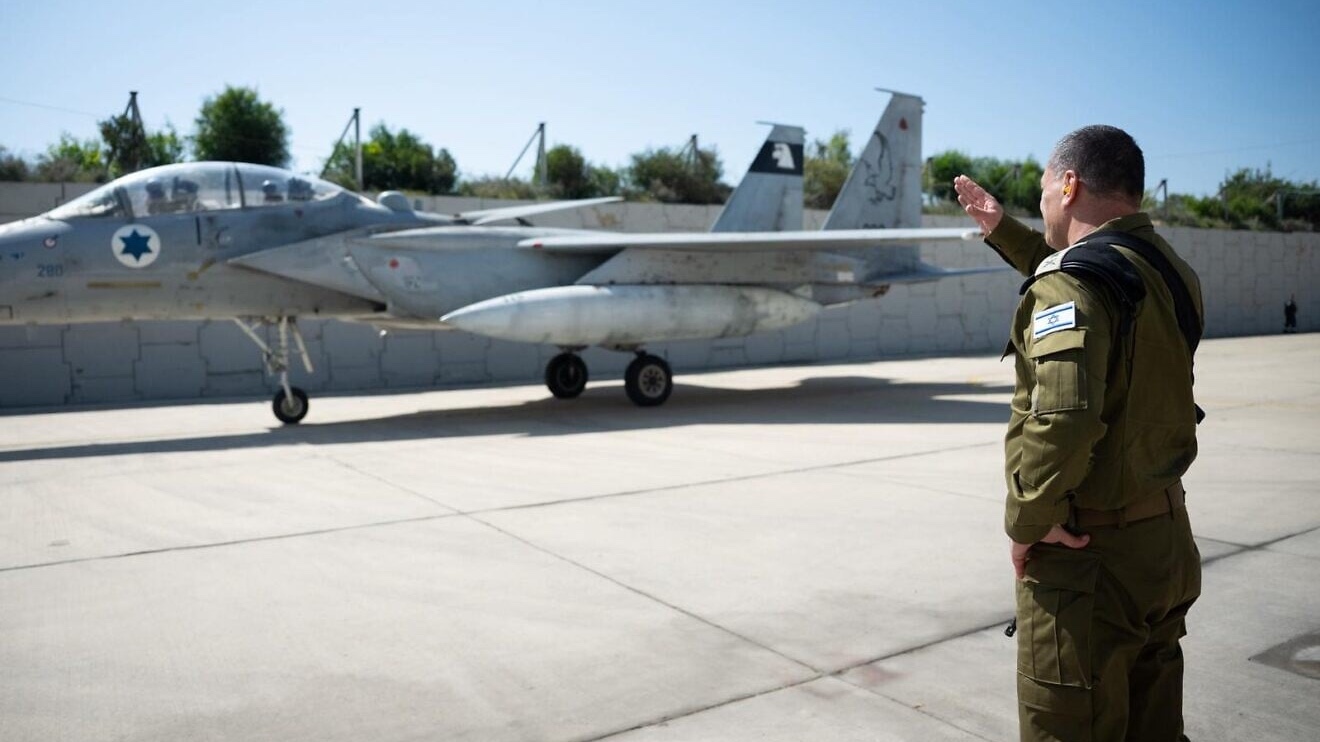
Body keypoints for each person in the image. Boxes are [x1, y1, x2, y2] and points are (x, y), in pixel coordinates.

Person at [954, 125, 1203, 741]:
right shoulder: (1169, 271)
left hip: (1092, 561)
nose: (1041, 204)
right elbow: (1096, 279)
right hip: (1165, 544)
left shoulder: (1071, 282)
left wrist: (1028, 522)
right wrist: (1003, 230)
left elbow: (1063, 420)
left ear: (1069, 185)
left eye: (1044, 190)